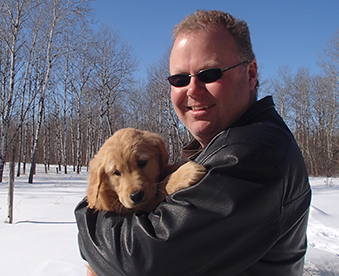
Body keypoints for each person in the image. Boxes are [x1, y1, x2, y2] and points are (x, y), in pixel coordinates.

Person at [75, 10, 311, 276]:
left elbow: (140, 263)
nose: (192, 90)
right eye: (179, 79)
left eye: (210, 74)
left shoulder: (252, 157)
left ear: (251, 74)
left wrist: (88, 217)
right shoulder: (221, 145)